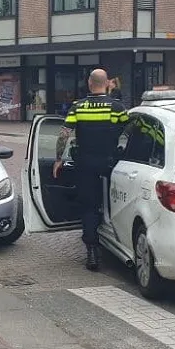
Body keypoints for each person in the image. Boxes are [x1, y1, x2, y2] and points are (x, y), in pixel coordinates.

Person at [53, 68, 128, 271]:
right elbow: (127, 132)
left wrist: (59, 159)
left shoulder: (78, 107)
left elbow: (63, 134)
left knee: (89, 207)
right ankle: (119, 241)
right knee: (115, 202)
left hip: (85, 164)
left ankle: (92, 252)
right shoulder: (116, 107)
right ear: (106, 84)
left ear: (89, 83)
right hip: (110, 163)